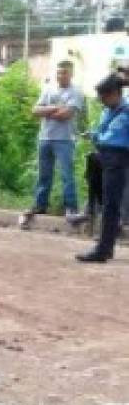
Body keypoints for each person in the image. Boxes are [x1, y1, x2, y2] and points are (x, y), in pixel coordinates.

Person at [21, 60, 86, 228]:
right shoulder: (48, 88)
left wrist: (47, 110)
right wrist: (55, 107)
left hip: (65, 139)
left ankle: (71, 208)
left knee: (66, 175)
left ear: (71, 74)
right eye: (58, 72)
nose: (60, 75)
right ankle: (40, 205)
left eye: (64, 72)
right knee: (44, 174)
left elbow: (66, 115)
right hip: (45, 137)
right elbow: (35, 110)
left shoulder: (76, 92)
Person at [76, 74, 129, 263]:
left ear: (115, 94)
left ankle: (103, 250)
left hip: (117, 158)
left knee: (111, 206)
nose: (101, 101)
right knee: (105, 203)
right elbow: (102, 132)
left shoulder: (126, 111)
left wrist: (96, 137)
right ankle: (105, 245)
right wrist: (93, 134)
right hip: (105, 157)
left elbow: (113, 137)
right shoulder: (108, 110)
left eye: (104, 97)